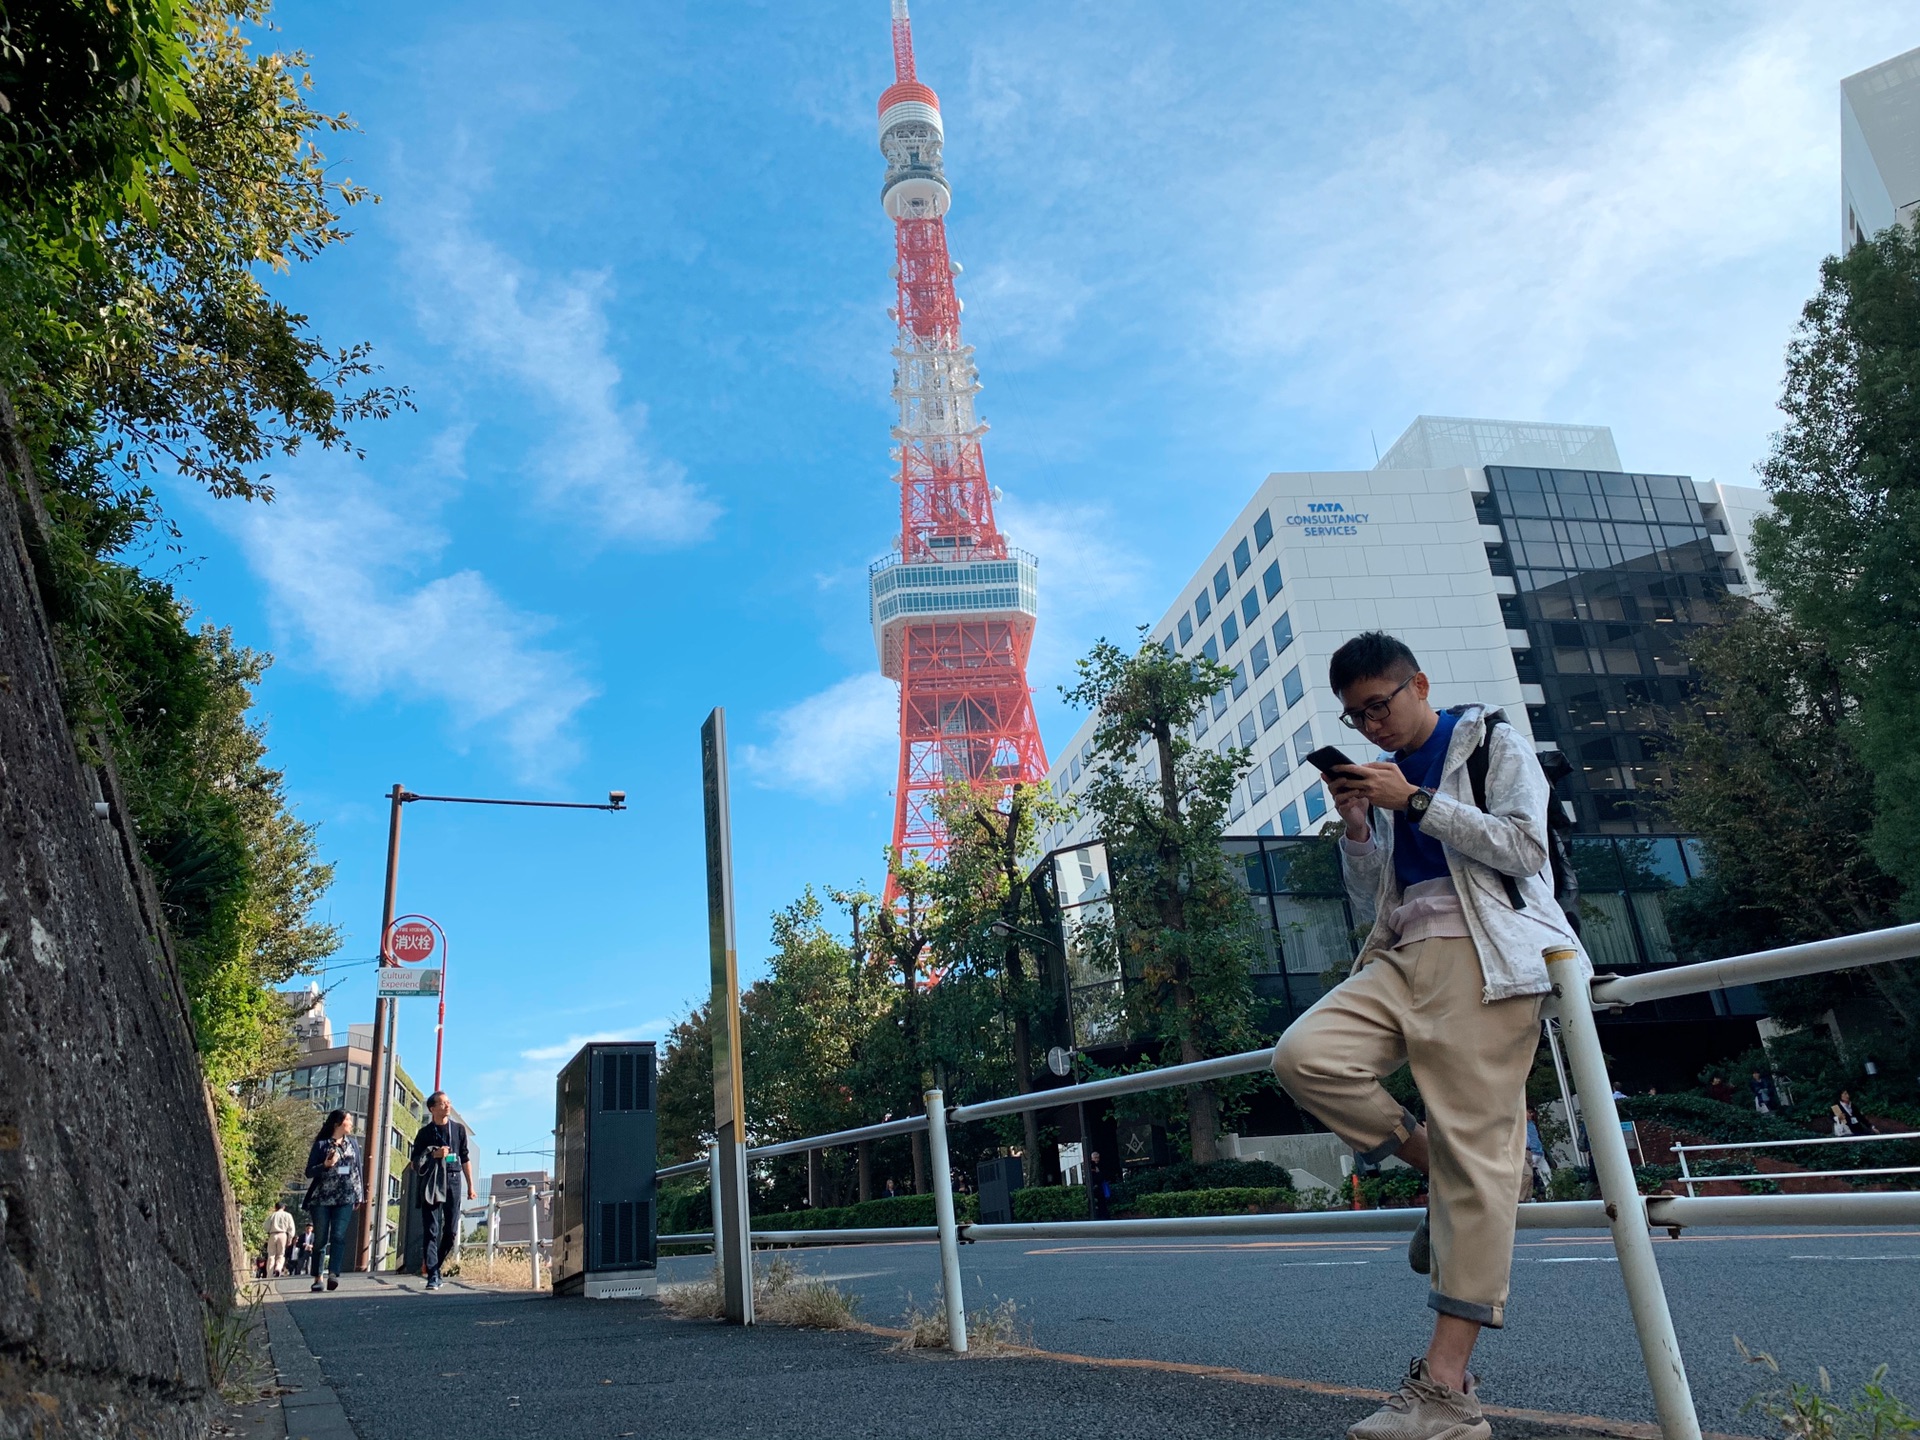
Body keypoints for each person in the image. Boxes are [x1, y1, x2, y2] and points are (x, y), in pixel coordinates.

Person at [1270, 632, 1591, 1440]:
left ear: (1418, 684)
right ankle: (1458, 1167)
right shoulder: (1380, 782)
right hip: (1398, 956)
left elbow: (1524, 849)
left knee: (1476, 1161)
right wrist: (1357, 826)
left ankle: (1447, 1395)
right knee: (1305, 1057)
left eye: (1380, 704)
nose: (1371, 725)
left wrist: (1413, 800)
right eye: (1355, 715)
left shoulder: (1489, 741)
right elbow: (1374, 891)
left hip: (1483, 958)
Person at [408, 1091, 475, 1292]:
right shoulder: (424, 1133)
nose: (447, 1106)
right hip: (431, 1182)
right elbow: (414, 1163)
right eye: (443, 1103)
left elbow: (464, 1158)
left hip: (453, 1180)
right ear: (432, 1108)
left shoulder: (458, 1130)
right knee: (431, 1229)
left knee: (451, 1231)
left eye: (449, 1102)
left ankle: (434, 1265)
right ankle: (433, 1275)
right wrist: (434, 1155)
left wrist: (470, 1185)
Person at [303, 1109, 363, 1292]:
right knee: (320, 1238)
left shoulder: (353, 1144)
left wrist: (359, 1195)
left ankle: (334, 1274)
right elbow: (309, 1171)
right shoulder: (321, 1145)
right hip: (322, 1198)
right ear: (338, 1123)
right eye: (348, 1121)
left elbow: (357, 1170)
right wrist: (325, 1165)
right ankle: (317, 1276)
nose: (351, 1124)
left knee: (338, 1236)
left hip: (345, 1197)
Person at [1523, 1109, 1552, 1201]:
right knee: (1529, 1175)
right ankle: (1530, 1196)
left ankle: (1550, 1196)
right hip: (1532, 1152)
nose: (1531, 1114)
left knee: (1547, 1175)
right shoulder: (1523, 1124)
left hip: (1539, 1153)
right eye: (1529, 1112)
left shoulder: (1532, 1123)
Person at [265, 1201, 296, 1276]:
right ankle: (278, 1268)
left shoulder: (272, 1215)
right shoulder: (288, 1215)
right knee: (281, 1254)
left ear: (275, 1207)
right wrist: (290, 1238)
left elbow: (266, 1226)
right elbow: (291, 1228)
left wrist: (269, 1231)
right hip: (283, 1234)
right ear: (284, 1207)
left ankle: (269, 1273)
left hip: (273, 1234)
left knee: (271, 1255)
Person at [1087, 1150, 1113, 1221]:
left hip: (1100, 1188)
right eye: (1095, 1158)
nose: (1097, 1159)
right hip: (1096, 1188)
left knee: (1102, 1203)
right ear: (1092, 1158)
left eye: (1097, 1158)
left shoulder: (1100, 1165)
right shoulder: (1091, 1167)